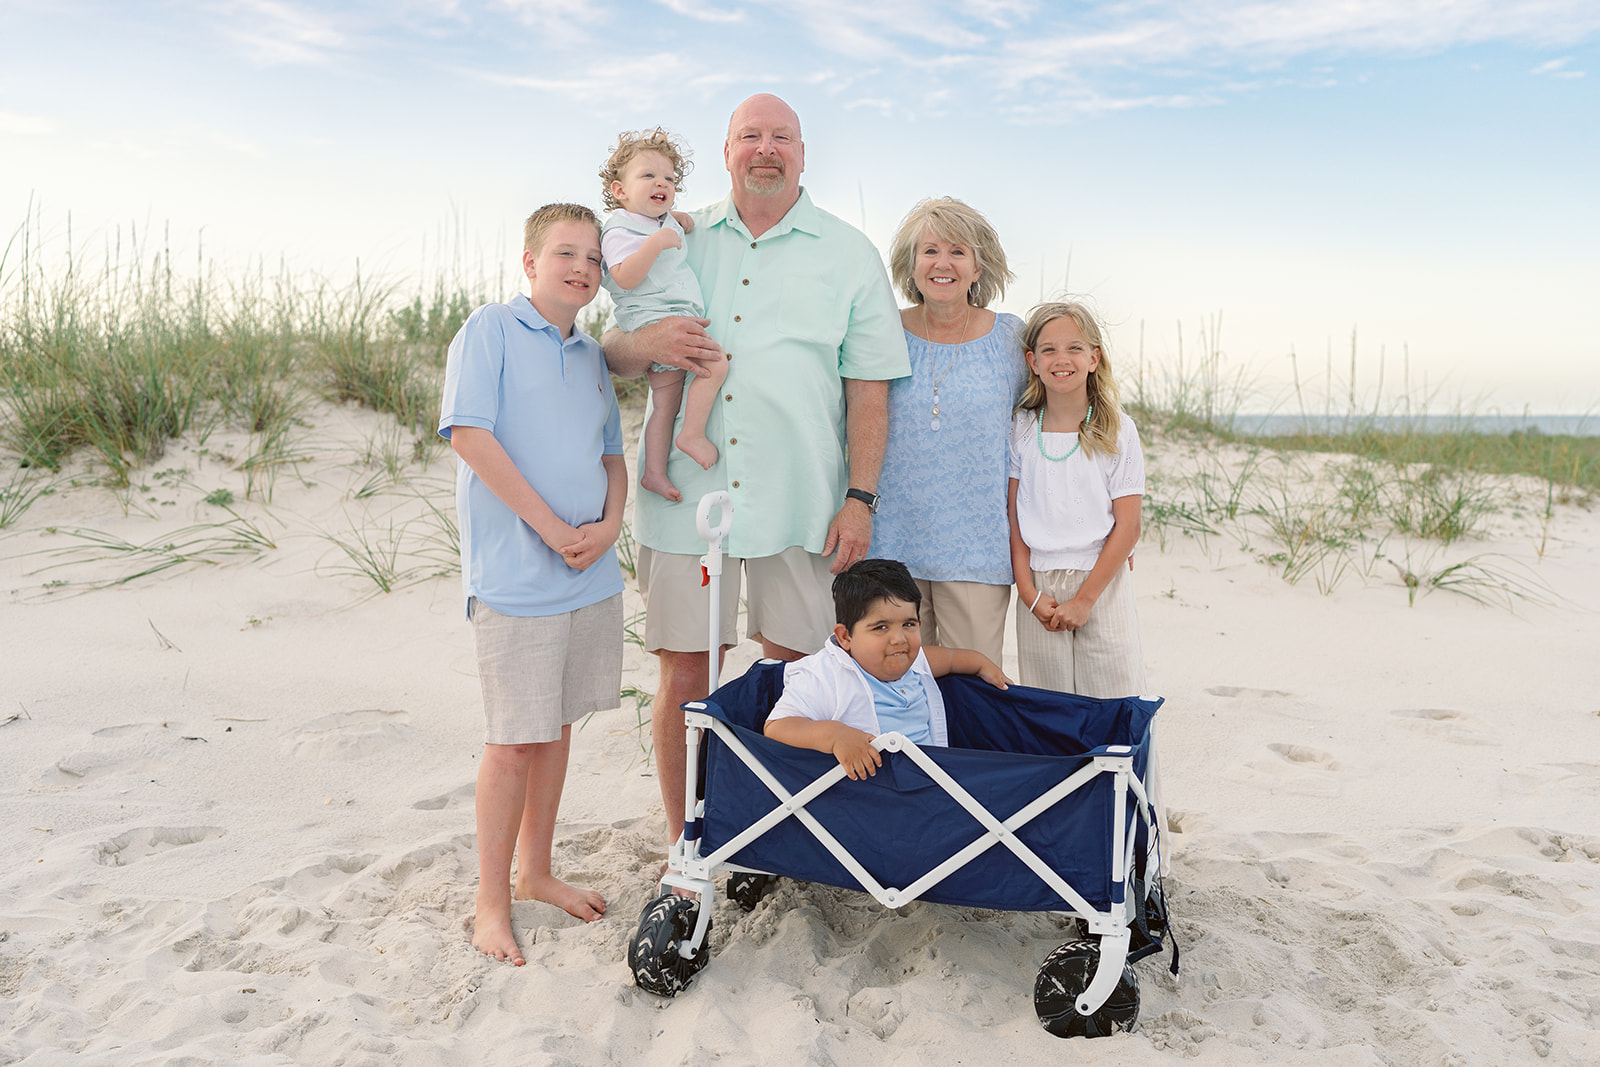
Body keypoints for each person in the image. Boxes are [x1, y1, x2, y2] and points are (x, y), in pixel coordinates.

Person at [603, 94, 911, 846]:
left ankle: (778, 842)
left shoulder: (849, 252)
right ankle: (687, 843)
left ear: (802, 153)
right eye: (750, 136)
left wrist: (860, 499)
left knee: (802, 675)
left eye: (781, 137)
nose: (765, 149)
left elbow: (869, 391)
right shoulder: (677, 232)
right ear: (728, 150)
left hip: (803, 502)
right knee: (685, 673)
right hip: (688, 500)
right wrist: (649, 345)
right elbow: (613, 349)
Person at [438, 203, 626, 964]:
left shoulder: (592, 354)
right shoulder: (490, 328)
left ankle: (536, 871)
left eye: (593, 257)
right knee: (515, 738)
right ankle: (492, 902)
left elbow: (612, 454)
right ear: (530, 262)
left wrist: (611, 526)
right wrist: (550, 528)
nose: (581, 268)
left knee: (558, 726)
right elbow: (469, 434)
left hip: (588, 572)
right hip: (518, 572)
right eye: (565, 253)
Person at [873, 197, 1025, 667]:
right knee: (894, 686)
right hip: (890, 546)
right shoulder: (880, 331)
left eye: (958, 252)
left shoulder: (1010, 339)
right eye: (930, 251)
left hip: (977, 551)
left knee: (973, 691)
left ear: (979, 267)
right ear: (911, 264)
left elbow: (1047, 430)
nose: (943, 264)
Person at [1007, 301, 1146, 698]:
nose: (1061, 359)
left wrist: (1085, 599)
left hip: (1101, 581)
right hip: (1039, 586)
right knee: (1047, 704)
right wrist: (1029, 594)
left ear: (1093, 358)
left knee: (1112, 697)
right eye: (1048, 349)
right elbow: (1014, 519)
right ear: (1033, 361)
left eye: (1074, 348)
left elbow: (1129, 525)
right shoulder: (1021, 428)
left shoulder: (1117, 430)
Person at [764, 559, 1010, 780]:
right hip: (872, 796)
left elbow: (953, 658)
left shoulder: (916, 660)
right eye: (881, 627)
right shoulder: (824, 674)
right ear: (845, 637)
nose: (899, 639)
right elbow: (776, 727)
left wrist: (982, 664)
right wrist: (836, 735)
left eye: (908, 624)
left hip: (931, 783)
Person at [597, 128, 728, 503]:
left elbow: (662, 222)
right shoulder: (619, 229)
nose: (662, 183)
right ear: (620, 190)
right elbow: (625, 276)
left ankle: (653, 472)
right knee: (716, 364)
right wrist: (654, 244)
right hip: (654, 321)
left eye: (669, 179)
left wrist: (673, 219)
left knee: (665, 404)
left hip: (667, 318)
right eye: (649, 176)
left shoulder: (660, 220)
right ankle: (692, 434)